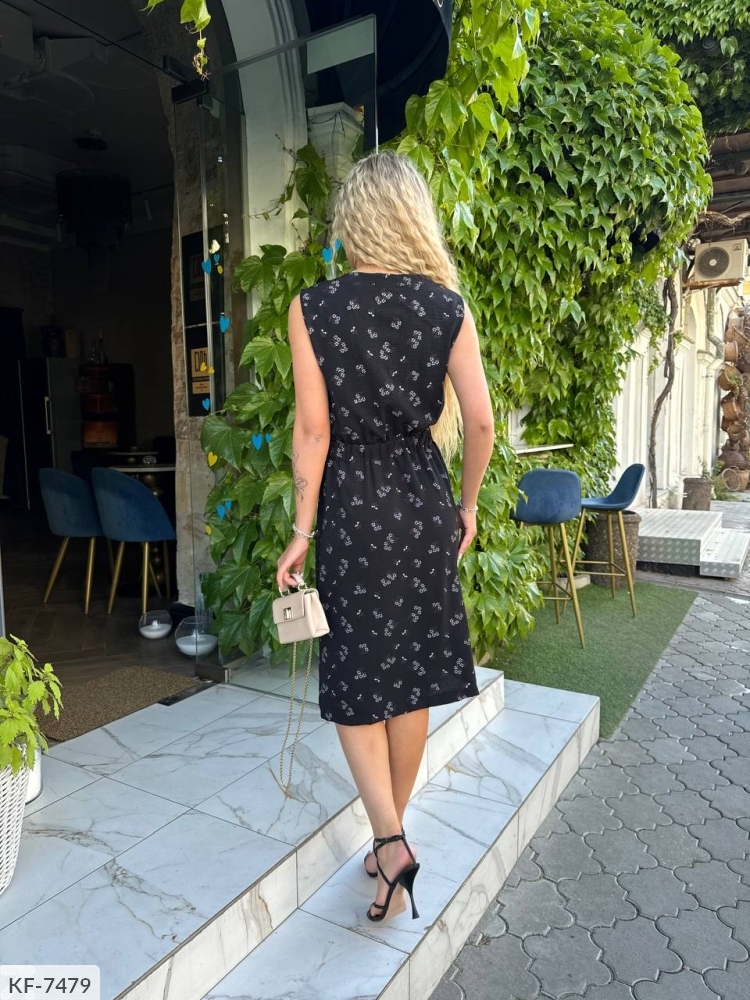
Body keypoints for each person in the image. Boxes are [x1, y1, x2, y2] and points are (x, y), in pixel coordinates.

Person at [276, 150, 494, 923]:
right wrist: (467, 506)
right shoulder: (447, 308)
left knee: (357, 675)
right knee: (412, 675)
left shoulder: (312, 308)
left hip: (352, 511)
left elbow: (313, 430)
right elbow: (480, 423)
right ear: (411, 216)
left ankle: (390, 840)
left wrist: (301, 530)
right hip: (424, 503)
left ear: (352, 220)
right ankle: (390, 841)